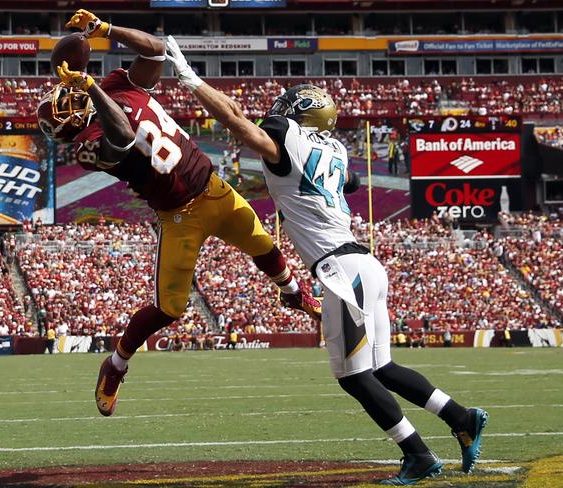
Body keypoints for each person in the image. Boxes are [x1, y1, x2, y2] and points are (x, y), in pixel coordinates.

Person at [166, 37, 488, 485]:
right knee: (383, 368)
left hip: (341, 270)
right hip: (365, 266)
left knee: (354, 377)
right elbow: (351, 181)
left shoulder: (286, 136)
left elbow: (238, 122)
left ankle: (418, 455)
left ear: (298, 114)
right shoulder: (335, 150)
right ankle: (462, 417)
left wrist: (190, 78)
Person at [37, 10, 321, 418]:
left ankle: (293, 293)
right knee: (169, 308)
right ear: (70, 124)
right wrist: (93, 87)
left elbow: (157, 51)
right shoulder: (87, 143)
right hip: (178, 215)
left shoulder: (117, 83)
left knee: (262, 243)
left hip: (213, 188)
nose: (68, 94)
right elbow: (122, 134)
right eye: (64, 102)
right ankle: (114, 365)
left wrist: (105, 30)